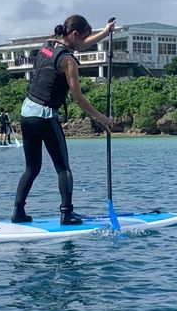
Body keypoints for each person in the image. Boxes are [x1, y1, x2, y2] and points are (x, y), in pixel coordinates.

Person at [12, 15, 116, 224]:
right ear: (74, 34)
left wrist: (105, 32)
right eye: (82, 38)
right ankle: (66, 214)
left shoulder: (48, 45)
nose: (83, 44)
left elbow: (80, 45)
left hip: (27, 113)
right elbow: (78, 98)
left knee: (32, 168)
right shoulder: (68, 61)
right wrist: (102, 118)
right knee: (63, 168)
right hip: (45, 116)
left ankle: (18, 212)